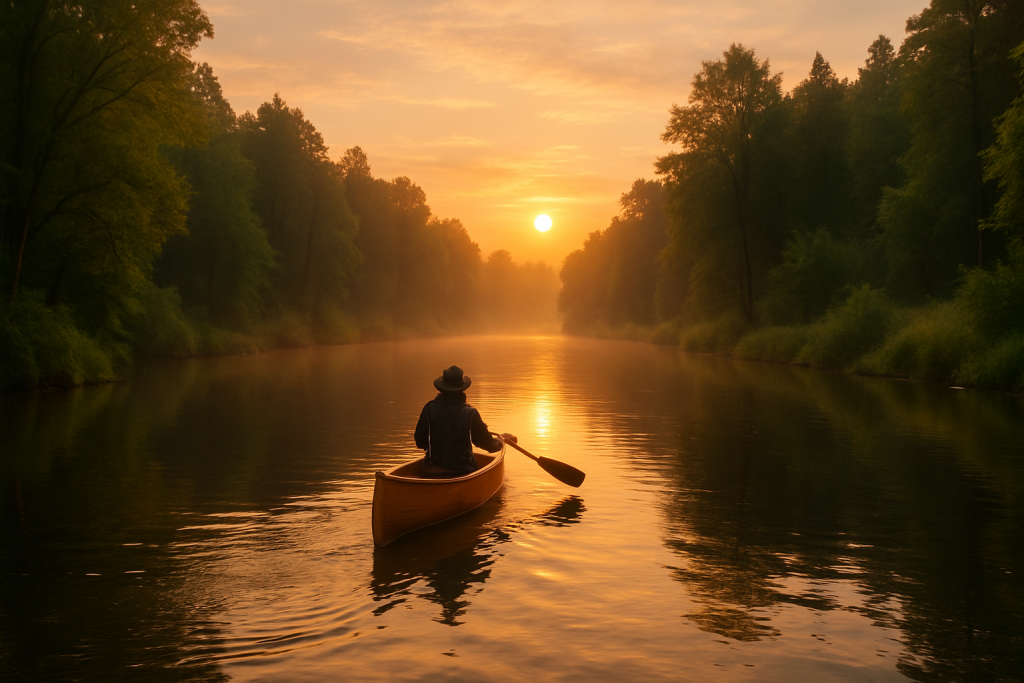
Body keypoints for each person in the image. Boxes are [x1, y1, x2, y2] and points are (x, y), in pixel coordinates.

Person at [414, 366, 516, 477]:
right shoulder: (470, 413)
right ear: (462, 389)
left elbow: (420, 442)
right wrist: (501, 440)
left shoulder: (429, 409)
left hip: (431, 470)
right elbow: (489, 445)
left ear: (441, 388)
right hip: (462, 471)